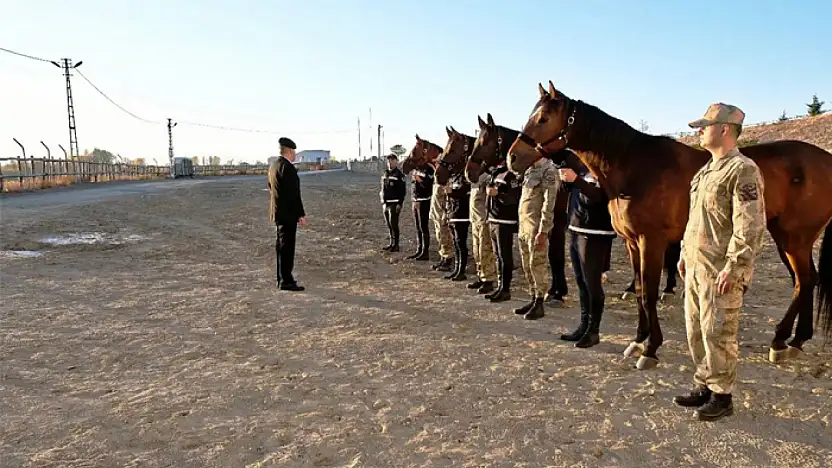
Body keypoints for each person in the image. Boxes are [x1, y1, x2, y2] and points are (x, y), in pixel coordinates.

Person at [674, 103, 766, 422]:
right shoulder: (705, 172)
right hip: (697, 266)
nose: (698, 130)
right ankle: (704, 385)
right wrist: (685, 254)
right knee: (696, 330)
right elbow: (694, 220)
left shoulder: (743, 170)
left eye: (705, 125)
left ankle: (722, 396)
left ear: (725, 129)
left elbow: (749, 224)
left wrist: (735, 265)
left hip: (720, 271)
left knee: (719, 333)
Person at [558, 158, 617, 348]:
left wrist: (576, 180)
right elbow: (576, 195)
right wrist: (567, 183)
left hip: (595, 234)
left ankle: (594, 331)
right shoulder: (583, 168)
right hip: (576, 230)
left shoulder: (605, 169)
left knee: (593, 284)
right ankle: (583, 326)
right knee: (581, 283)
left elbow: (599, 197)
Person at [513, 158, 559, 320]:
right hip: (524, 226)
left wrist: (543, 231)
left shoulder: (549, 171)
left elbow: (549, 203)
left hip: (536, 228)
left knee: (537, 264)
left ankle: (540, 301)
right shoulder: (529, 169)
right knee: (527, 264)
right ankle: (533, 297)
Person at [267, 137, 308, 291]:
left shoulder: (273, 166)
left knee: (281, 246)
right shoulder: (288, 168)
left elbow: (271, 188)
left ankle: (281, 278)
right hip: (288, 214)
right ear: (289, 151)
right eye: (294, 152)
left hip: (278, 213)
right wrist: (300, 214)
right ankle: (286, 280)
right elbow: (293, 194)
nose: (295, 154)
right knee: (287, 247)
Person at [484, 161, 522, 303]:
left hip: (505, 221)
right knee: (497, 255)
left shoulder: (512, 176)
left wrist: (498, 194)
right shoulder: (496, 173)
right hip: (493, 219)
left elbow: (514, 198)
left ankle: (505, 289)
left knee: (504, 255)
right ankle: (500, 286)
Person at [468, 170, 498, 294]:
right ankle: (481, 275)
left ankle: (489, 279)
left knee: (485, 250)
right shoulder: (474, 177)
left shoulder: (488, 177)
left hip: (484, 218)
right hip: (475, 218)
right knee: (477, 250)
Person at [444, 170, 472, 281]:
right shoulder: (453, 177)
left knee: (461, 243)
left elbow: (465, 193)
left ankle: (461, 271)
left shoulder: (465, 178)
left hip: (462, 215)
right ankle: (456, 269)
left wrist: (452, 192)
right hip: (453, 213)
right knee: (456, 243)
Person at [546, 179, 571, 305]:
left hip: (559, 213)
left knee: (556, 251)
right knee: (552, 252)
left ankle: (559, 288)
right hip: (550, 212)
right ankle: (557, 285)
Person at [407, 162, 435, 261]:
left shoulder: (428, 169)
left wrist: (419, 179)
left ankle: (425, 252)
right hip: (415, 201)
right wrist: (413, 199)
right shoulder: (415, 169)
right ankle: (419, 250)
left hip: (424, 201)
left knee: (423, 227)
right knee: (417, 227)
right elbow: (413, 185)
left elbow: (429, 184)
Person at [379, 154, 407, 252]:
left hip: (395, 203)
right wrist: (382, 199)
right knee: (389, 224)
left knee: (394, 224)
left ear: (396, 161)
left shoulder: (399, 174)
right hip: (386, 203)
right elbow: (383, 188)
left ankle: (396, 245)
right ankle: (391, 243)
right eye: (388, 161)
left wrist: (400, 203)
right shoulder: (385, 173)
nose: (390, 163)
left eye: (392, 160)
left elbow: (402, 191)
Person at [430, 172, 454, 272]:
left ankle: (448, 259)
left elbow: (448, 199)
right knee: (439, 237)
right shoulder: (436, 183)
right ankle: (443, 258)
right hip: (436, 213)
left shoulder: (446, 183)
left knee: (445, 238)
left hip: (442, 214)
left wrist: (446, 213)